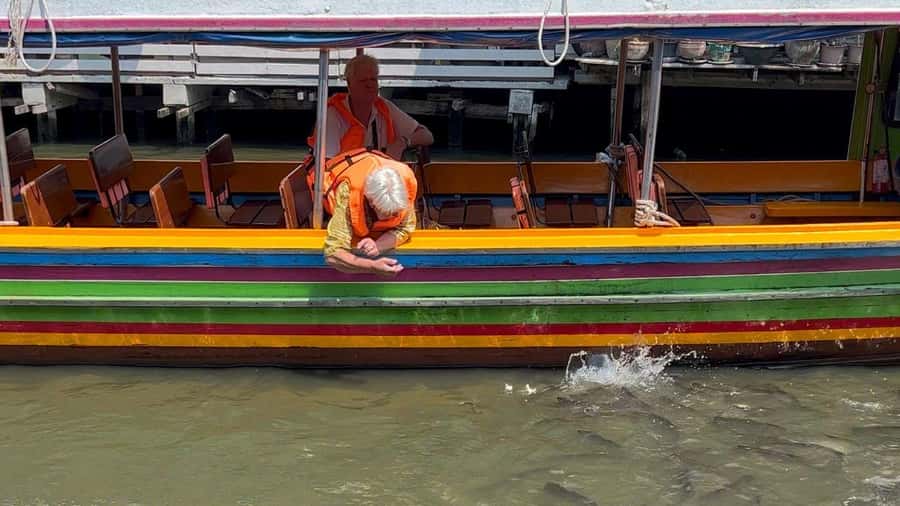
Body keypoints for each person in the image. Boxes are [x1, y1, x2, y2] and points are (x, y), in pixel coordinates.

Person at [309, 54, 434, 160]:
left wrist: (403, 142)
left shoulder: (384, 108)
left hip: (381, 183)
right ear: (349, 84)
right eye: (363, 81)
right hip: (344, 185)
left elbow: (427, 135)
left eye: (373, 79)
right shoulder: (332, 115)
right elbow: (327, 165)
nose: (370, 85)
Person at [321, 150, 418, 277]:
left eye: (396, 212)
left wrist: (378, 246)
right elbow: (333, 254)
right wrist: (371, 266)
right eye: (388, 213)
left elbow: (405, 228)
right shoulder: (348, 193)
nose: (394, 216)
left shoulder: (404, 185)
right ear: (371, 203)